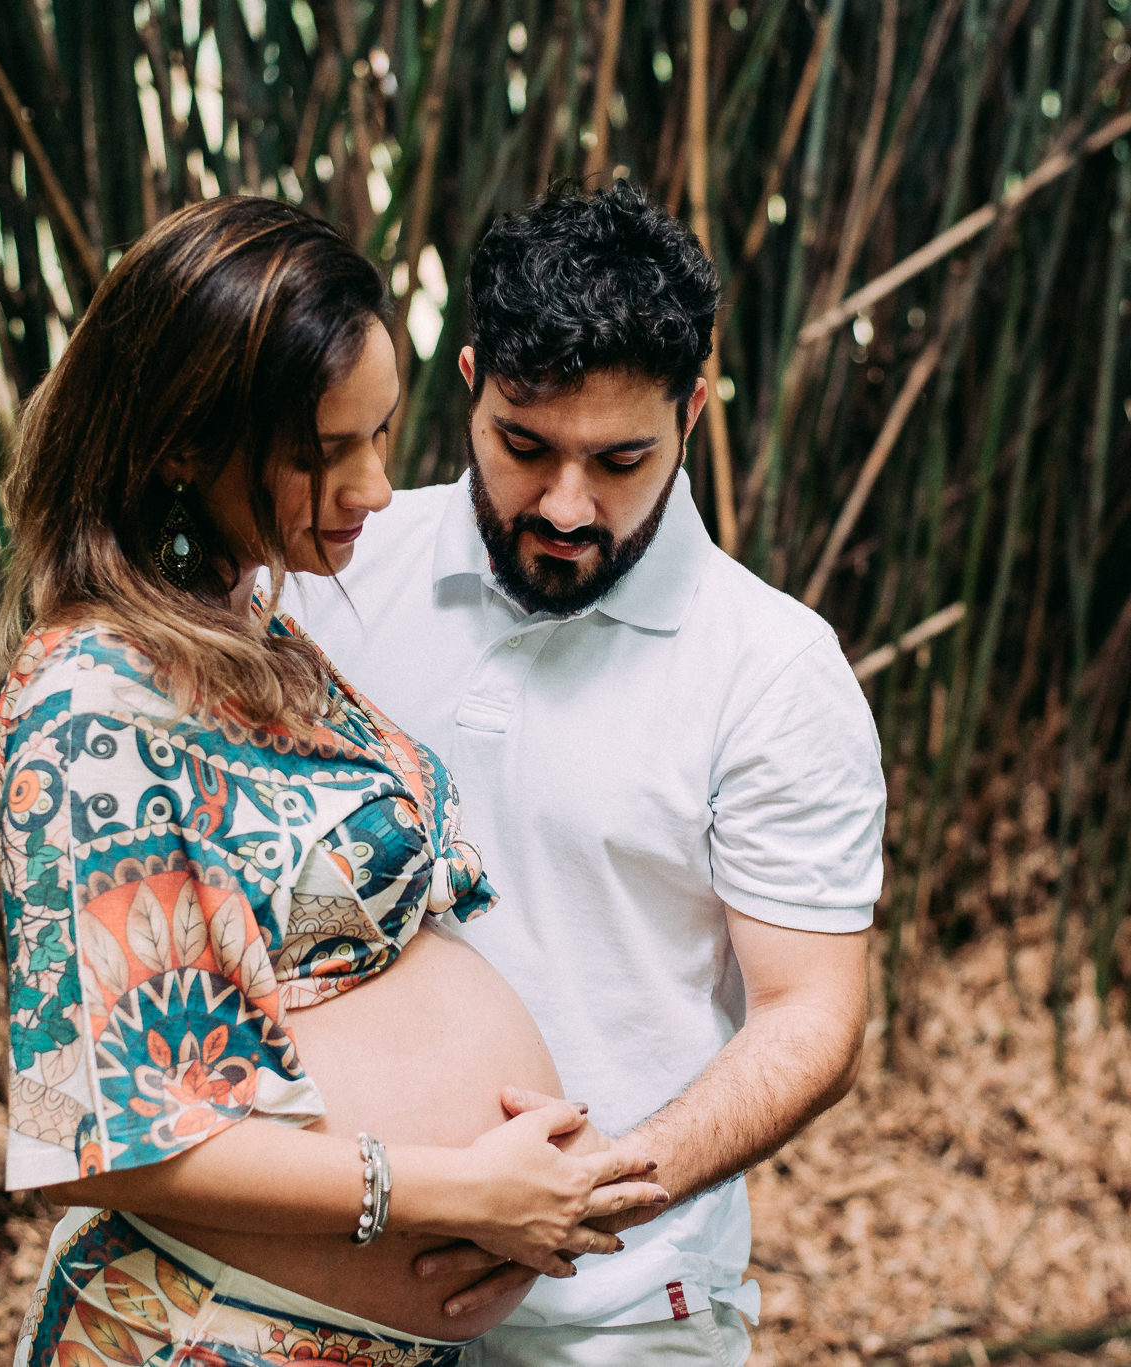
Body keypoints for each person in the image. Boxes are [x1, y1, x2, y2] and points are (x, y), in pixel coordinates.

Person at [0, 196, 670, 1367]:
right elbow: (101, 1140)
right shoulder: (92, 700)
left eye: (383, 433)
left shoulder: (246, 632)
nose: (370, 488)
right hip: (205, 1337)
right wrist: (443, 1186)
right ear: (183, 443)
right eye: (324, 451)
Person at [285, 182, 886, 1364]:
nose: (566, 505)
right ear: (467, 384)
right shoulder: (327, 574)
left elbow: (810, 1011)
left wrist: (597, 1187)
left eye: (620, 459)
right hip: (315, 1300)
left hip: (612, 1317)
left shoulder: (771, 670)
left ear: (694, 411)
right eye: (524, 446)